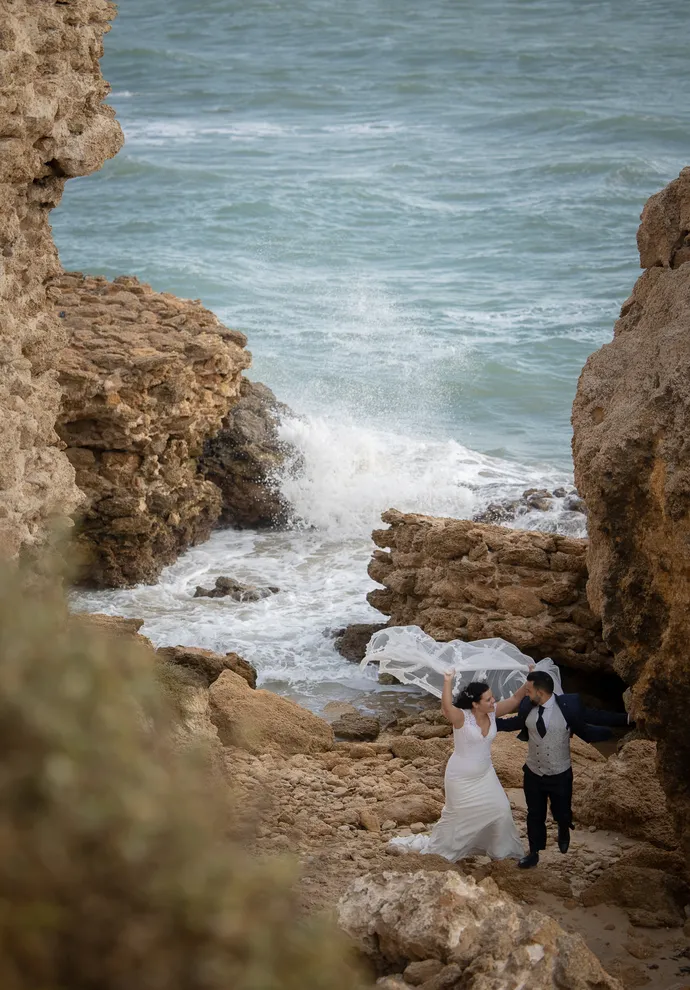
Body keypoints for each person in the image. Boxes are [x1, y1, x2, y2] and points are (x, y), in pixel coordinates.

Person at [496, 669, 632, 869]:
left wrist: (628, 719)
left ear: (540, 693)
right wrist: (486, 722)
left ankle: (563, 827)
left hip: (561, 773)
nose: (526, 694)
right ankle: (534, 852)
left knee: (562, 811)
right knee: (535, 814)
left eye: (528, 690)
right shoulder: (527, 705)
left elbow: (596, 716)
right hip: (533, 772)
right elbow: (514, 723)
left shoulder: (570, 705)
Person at [388, 672, 529, 862]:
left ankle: (502, 853)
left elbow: (516, 698)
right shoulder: (462, 717)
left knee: (501, 810)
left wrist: (530, 679)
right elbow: (446, 708)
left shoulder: (493, 711)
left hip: (486, 774)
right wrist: (448, 681)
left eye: (492, 697)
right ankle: (441, 854)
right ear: (475, 704)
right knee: (459, 818)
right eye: (488, 699)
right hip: (460, 778)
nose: (493, 701)